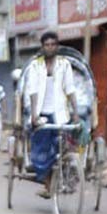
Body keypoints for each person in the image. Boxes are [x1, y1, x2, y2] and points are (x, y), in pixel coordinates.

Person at [25, 31, 79, 198]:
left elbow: (70, 89)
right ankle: (48, 184)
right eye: (47, 45)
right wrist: (34, 115)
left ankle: (66, 174)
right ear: (43, 47)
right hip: (42, 114)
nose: (50, 47)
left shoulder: (64, 64)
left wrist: (75, 112)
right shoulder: (35, 65)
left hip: (60, 113)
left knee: (63, 145)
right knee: (42, 150)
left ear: (57, 46)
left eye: (53, 44)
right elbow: (32, 90)